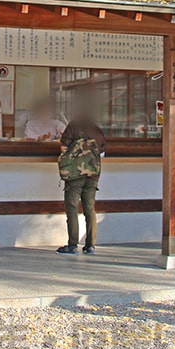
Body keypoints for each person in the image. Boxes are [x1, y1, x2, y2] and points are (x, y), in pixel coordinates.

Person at [56, 93, 106, 256]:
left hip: (75, 174)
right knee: (89, 208)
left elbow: (63, 148)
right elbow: (103, 152)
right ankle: (90, 245)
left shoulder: (73, 126)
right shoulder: (96, 129)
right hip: (93, 174)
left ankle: (72, 244)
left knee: (72, 207)